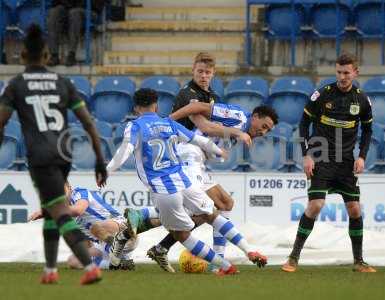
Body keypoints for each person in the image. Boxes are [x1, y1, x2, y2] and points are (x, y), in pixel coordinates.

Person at [106, 88, 267, 275]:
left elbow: (125, 150)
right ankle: (241, 254)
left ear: (135, 108)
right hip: (186, 169)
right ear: (156, 105)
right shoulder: (172, 118)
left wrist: (107, 170)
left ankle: (224, 264)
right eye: (203, 71)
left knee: (208, 214)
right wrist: (222, 146)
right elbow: (198, 128)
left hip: (173, 180)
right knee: (209, 213)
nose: (264, 131)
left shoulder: (135, 125)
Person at [0, 24, 108, 284]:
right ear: (47, 57)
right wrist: (99, 159)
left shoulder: (16, 85)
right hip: (63, 152)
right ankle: (50, 270)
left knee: (58, 211)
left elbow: (1, 122)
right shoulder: (63, 82)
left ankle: (89, 266)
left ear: (24, 56)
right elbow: (88, 123)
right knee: (52, 209)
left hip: (40, 154)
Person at [147, 101, 278, 272]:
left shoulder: (241, 129)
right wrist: (168, 121)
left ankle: (165, 247)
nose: (263, 132)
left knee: (224, 203)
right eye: (264, 126)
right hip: (189, 155)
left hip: (197, 161)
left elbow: (199, 119)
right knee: (202, 212)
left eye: (268, 130)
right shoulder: (237, 117)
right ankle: (140, 219)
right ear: (254, 117)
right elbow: (197, 108)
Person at [281, 53, 376, 273]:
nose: (342, 76)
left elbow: (368, 130)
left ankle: (359, 261)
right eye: (339, 72)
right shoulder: (322, 95)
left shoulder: (362, 100)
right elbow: (304, 123)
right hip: (321, 157)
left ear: (355, 72)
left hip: (346, 162)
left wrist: (362, 156)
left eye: (346, 72)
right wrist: (306, 155)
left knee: (354, 209)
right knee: (316, 205)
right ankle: (293, 258)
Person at [47, 0, 106, 66]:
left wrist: (76, 4)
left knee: (74, 13)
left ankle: (71, 55)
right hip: (69, 9)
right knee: (54, 12)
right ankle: (54, 55)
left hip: (90, 10)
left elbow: (97, 5)